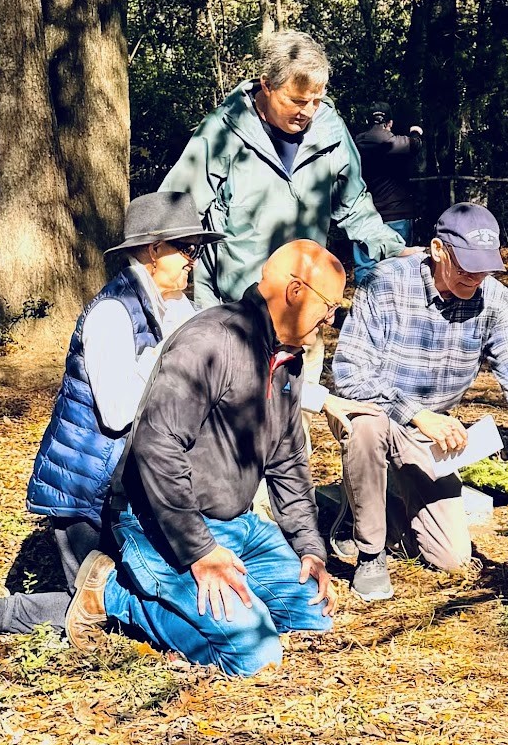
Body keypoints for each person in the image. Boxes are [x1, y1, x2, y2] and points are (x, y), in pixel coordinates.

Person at [65, 241, 360, 676]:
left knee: (312, 619)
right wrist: (201, 551)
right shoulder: (212, 341)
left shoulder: (288, 360)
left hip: (239, 525)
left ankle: (229, 606)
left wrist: (310, 550)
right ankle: (109, 592)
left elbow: (289, 463)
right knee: (254, 655)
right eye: (329, 306)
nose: (330, 320)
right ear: (295, 291)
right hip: (162, 524)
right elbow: (156, 448)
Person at [159, 30, 415, 445]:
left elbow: (353, 205)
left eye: (317, 99)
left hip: (303, 315)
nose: (309, 111)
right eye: (297, 101)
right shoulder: (224, 130)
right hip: (236, 314)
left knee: (289, 435)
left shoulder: (330, 129)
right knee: (228, 437)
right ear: (267, 86)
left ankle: (284, 510)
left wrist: (393, 246)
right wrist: (168, 283)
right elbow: (179, 210)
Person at [0, 193, 223, 635]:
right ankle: (0, 613)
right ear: (155, 251)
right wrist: (169, 359)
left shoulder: (174, 307)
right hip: (87, 495)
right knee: (109, 608)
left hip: (129, 486)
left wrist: (315, 397)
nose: (195, 260)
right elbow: (117, 414)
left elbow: (222, 362)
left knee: (154, 598)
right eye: (188, 248)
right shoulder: (112, 313)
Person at [330, 203, 508, 602]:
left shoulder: (494, 300)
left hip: (434, 438)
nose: (475, 278)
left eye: (485, 268)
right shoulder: (384, 284)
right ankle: (370, 553)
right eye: (465, 267)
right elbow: (350, 375)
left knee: (451, 557)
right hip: (377, 416)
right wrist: (416, 414)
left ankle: (373, 505)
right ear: (438, 250)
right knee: (367, 425)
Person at [352, 101, 422, 285]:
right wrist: (415, 131)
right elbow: (416, 144)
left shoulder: (354, 143)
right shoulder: (398, 143)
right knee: (399, 267)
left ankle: (363, 309)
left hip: (364, 214)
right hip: (397, 213)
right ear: (389, 122)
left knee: (365, 267)